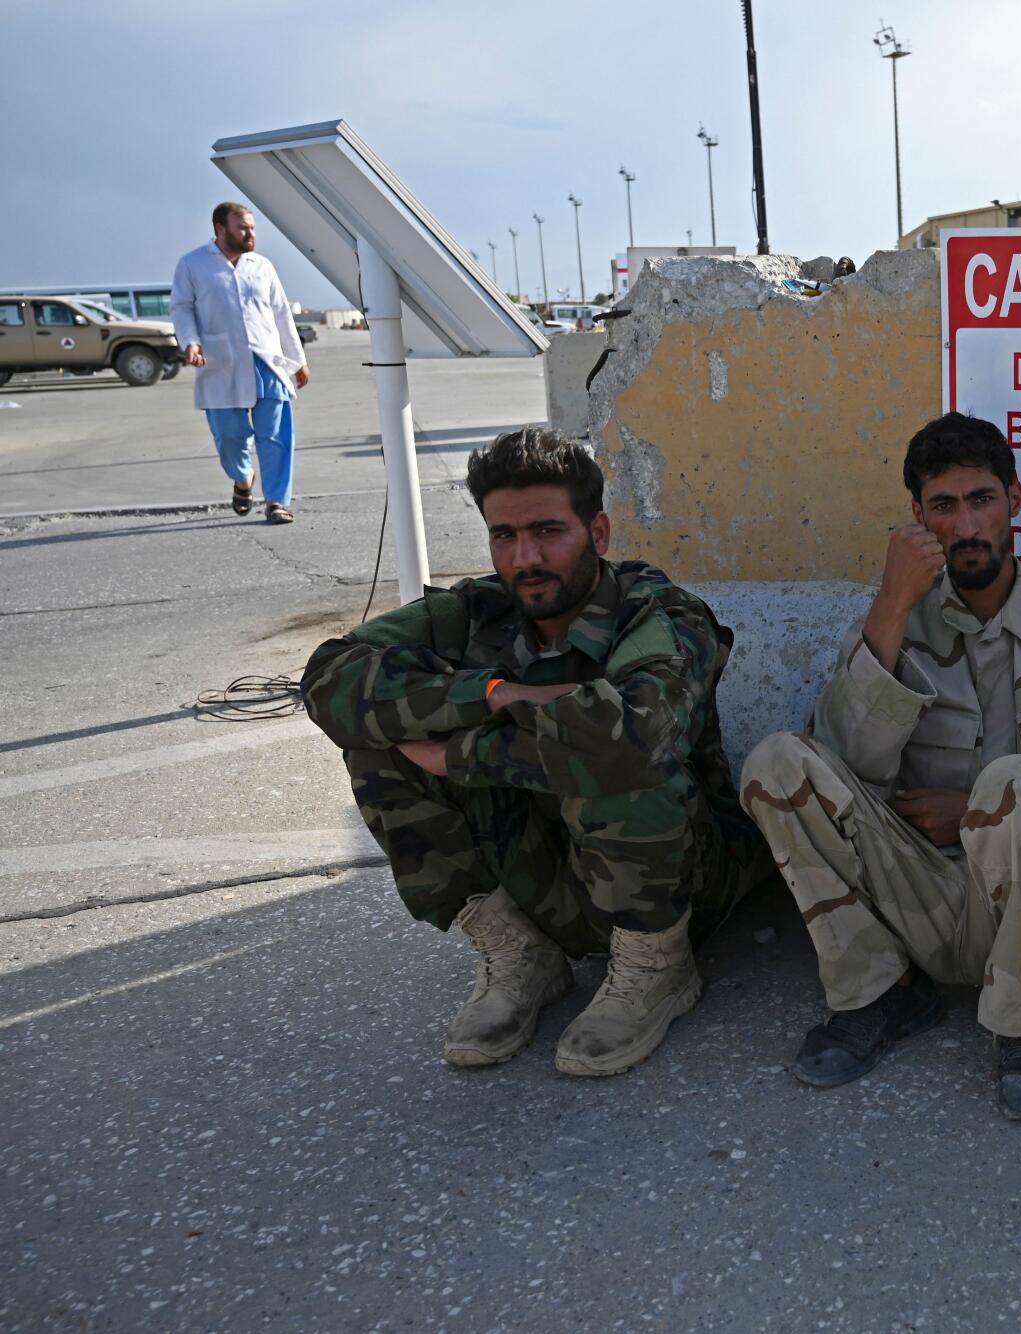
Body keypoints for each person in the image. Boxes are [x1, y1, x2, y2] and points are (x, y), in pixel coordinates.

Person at [301, 427, 767, 1077]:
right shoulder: (477, 612)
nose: (525, 558)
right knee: (379, 749)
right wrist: (492, 692)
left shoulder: (659, 614)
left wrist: (461, 757)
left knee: (615, 762)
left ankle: (655, 968)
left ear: (598, 535)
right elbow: (329, 679)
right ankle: (523, 955)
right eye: (504, 537)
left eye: (549, 531)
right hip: (552, 870)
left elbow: (634, 740)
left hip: (680, 879)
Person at [739, 412, 1021, 1121]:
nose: (965, 526)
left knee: (1016, 782)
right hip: (922, 892)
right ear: (917, 517)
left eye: (981, 500)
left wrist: (974, 809)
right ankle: (879, 993)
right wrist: (892, 605)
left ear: (1015, 499)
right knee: (775, 761)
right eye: (944, 506)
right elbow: (843, 763)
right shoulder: (899, 616)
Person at [170, 202, 310, 524]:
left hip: (267, 362)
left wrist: (297, 360)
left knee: (275, 436)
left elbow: (281, 313)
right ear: (221, 229)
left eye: (252, 228)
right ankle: (243, 478)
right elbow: (181, 308)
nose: (250, 234)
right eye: (243, 228)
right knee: (229, 437)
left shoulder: (262, 266)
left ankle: (277, 501)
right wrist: (190, 342)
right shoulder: (193, 265)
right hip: (221, 363)